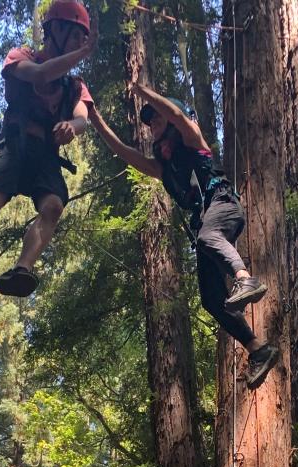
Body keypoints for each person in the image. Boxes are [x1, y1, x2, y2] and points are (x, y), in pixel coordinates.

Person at [89, 84, 280, 389]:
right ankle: (259, 349)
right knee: (212, 301)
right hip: (205, 227)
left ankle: (246, 278)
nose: (153, 126)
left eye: (157, 119)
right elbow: (121, 152)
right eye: (150, 123)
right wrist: (94, 116)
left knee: (208, 236)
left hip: (223, 205)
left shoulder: (193, 141)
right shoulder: (163, 169)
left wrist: (143, 92)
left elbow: (177, 114)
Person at [0, 0, 97, 300]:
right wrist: (82, 53)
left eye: (83, 38)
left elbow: (82, 117)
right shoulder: (21, 56)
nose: (80, 43)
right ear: (58, 30)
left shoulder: (75, 86)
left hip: (46, 156)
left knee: (53, 206)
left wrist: (72, 127)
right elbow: (39, 75)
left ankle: (23, 269)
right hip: (16, 144)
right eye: (76, 35)